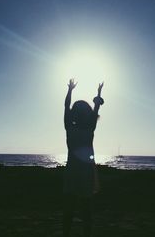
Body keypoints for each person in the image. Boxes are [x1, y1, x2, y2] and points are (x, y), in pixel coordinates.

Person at [63, 79, 104, 237]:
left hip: (76, 171)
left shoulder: (71, 127)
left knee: (76, 209)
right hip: (80, 172)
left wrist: (70, 91)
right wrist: (70, 91)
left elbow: (95, 107)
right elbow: (68, 107)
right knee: (77, 209)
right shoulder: (81, 127)